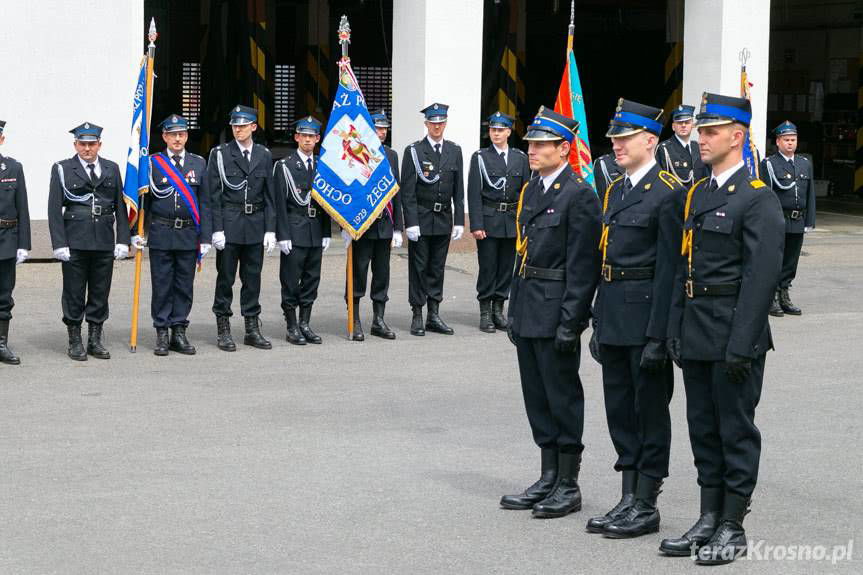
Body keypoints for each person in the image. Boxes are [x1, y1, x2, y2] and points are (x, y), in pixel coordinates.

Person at [661, 93, 784, 565]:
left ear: (738, 136)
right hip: (696, 330)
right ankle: (708, 516)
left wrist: (742, 343)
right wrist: (675, 324)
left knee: (734, 430)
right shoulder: (701, 193)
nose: (701, 138)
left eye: (711, 131)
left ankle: (732, 523)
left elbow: (760, 280)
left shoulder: (757, 199)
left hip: (734, 333)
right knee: (702, 429)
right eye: (701, 130)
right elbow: (683, 265)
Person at [586, 99, 684, 538]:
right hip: (615, 318)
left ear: (650, 140)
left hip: (647, 320)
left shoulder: (668, 192)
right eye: (614, 138)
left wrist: (660, 335)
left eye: (624, 138)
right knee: (620, 410)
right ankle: (628, 495)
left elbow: (671, 271)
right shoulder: (616, 189)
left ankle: (647, 500)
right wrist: (598, 319)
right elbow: (605, 259)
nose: (616, 145)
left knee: (649, 412)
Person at [500, 106, 602, 519]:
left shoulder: (579, 195)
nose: (533, 150)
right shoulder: (532, 189)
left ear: (564, 148)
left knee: (561, 395)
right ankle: (547, 474)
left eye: (542, 144)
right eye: (531, 144)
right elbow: (521, 253)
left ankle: (568, 481)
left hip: (556, 306)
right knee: (536, 395)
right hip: (528, 304)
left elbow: (583, 266)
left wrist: (571, 320)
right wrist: (513, 302)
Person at [48, 122, 130, 361]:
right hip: (75, 241)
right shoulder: (63, 168)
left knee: (100, 291)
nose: (87, 148)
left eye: (91, 144)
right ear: (75, 145)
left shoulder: (111, 169)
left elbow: (119, 207)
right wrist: (59, 243)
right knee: (74, 292)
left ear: (99, 145)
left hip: (103, 240)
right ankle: (75, 339)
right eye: (82, 144)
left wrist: (122, 239)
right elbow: (54, 209)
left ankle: (95, 338)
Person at [133, 114, 212, 356]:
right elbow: (141, 199)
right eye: (172, 135)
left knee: (184, 285)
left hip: (188, 233)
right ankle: (162, 332)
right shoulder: (152, 164)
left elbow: (205, 202)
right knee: (162, 285)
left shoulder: (198, 163)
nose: (177, 139)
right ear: (164, 137)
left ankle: (179, 330)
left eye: (181, 134)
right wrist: (132, 231)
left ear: (187, 136)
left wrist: (206, 237)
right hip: (162, 233)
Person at [207, 105, 276, 351]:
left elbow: (269, 195)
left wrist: (270, 229)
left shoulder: (264, 155)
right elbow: (213, 196)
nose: (238, 129)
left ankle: (251, 327)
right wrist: (216, 229)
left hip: (255, 224)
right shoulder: (220, 154)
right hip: (230, 223)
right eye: (235, 125)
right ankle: (223, 328)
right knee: (225, 278)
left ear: (253, 127)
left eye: (243, 125)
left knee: (252, 279)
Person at [400, 103, 465, 336]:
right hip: (422, 217)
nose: (437, 126)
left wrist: (459, 221)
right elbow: (407, 191)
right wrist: (411, 221)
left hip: (444, 218)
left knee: (437, 268)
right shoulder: (414, 151)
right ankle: (417, 313)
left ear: (445, 124)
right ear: (426, 124)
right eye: (433, 122)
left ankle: (433, 314)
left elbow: (459, 190)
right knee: (419, 267)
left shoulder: (454, 150)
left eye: (440, 122)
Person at [341, 110, 403, 340]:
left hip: (384, 225)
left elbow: (396, 193)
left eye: (384, 128)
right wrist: (345, 224)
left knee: (382, 275)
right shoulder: (356, 154)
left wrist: (398, 227)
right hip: (362, 226)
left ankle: (378, 319)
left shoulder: (391, 155)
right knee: (358, 273)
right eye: (377, 128)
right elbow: (348, 192)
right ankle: (354, 318)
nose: (382, 131)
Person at [466, 111, 529, 333]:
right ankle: (485, 312)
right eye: (493, 130)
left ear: (509, 132)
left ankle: (498, 309)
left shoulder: (520, 158)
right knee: (488, 267)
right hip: (489, 220)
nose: (496, 133)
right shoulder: (480, 157)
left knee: (505, 268)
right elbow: (474, 193)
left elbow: (525, 192)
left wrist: (525, 223)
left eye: (500, 130)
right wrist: (476, 224)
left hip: (511, 221)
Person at [274, 116, 331, 345]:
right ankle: (291, 325)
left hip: (315, 229)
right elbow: (279, 203)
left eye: (312, 136)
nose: (307, 140)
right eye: (303, 135)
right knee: (290, 280)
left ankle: (305, 322)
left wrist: (327, 231)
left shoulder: (322, 166)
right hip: (294, 230)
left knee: (311, 279)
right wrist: (282, 235)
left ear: (317, 139)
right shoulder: (285, 166)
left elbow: (327, 202)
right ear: (297, 137)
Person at [760, 120, 815, 317]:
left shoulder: (804, 163)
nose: (790, 143)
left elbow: (810, 194)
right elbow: (765, 196)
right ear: (778, 141)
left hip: (797, 220)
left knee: (791, 262)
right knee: (776, 260)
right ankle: (772, 297)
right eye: (786, 140)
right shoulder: (769, 164)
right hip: (779, 219)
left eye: (793, 139)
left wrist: (809, 221)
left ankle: (784, 294)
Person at [0, 120, 31, 365]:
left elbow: (22, 207)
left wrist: (23, 244)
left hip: (6, 240)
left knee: (3, 296)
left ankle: (1, 343)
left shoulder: (12, 167)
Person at [655, 104, 709, 186]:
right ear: (673, 127)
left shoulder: (698, 147)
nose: (683, 125)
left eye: (687, 122)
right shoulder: (664, 149)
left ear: (692, 125)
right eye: (679, 123)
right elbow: (659, 182)